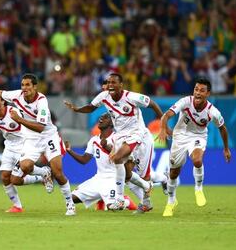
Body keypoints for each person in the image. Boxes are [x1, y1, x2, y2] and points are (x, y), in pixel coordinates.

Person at [0, 73, 76, 216]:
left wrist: (19, 120)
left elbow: (40, 127)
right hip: (31, 139)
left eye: (28, 85)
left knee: (58, 172)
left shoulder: (41, 101)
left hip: (49, 137)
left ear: (35, 87)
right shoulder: (16, 95)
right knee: (25, 167)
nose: (24, 88)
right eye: (22, 85)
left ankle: (70, 204)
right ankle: (43, 173)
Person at [64, 72, 165, 211]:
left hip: (137, 134)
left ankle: (124, 197)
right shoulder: (104, 96)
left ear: (121, 85)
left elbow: (152, 104)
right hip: (121, 136)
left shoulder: (131, 97)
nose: (110, 85)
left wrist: (164, 126)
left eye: (113, 82)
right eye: (109, 82)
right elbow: (91, 107)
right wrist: (77, 109)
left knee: (134, 169)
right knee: (127, 174)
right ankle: (144, 192)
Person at [157, 78, 231, 217]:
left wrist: (226, 148)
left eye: (202, 90)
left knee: (197, 160)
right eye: (196, 89)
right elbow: (167, 115)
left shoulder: (212, 112)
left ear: (208, 94)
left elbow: (223, 128)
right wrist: (163, 128)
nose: (198, 93)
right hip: (180, 136)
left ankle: (198, 188)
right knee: (173, 173)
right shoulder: (185, 102)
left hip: (198, 136)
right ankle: (171, 201)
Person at [65, 113, 137, 211]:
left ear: (112, 123)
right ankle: (101, 198)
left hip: (113, 178)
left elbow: (118, 155)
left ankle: (126, 200)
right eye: (101, 117)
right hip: (98, 178)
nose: (101, 118)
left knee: (112, 207)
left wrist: (106, 147)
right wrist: (69, 150)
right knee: (71, 198)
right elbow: (84, 160)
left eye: (105, 118)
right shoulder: (93, 140)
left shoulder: (117, 138)